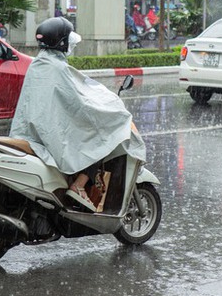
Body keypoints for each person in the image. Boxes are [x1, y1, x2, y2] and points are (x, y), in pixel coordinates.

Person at [9, 17, 146, 212]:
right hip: (48, 134)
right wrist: (106, 108)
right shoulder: (58, 68)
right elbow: (80, 103)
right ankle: (79, 185)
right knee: (100, 138)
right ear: (62, 42)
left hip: (31, 131)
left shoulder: (38, 64)